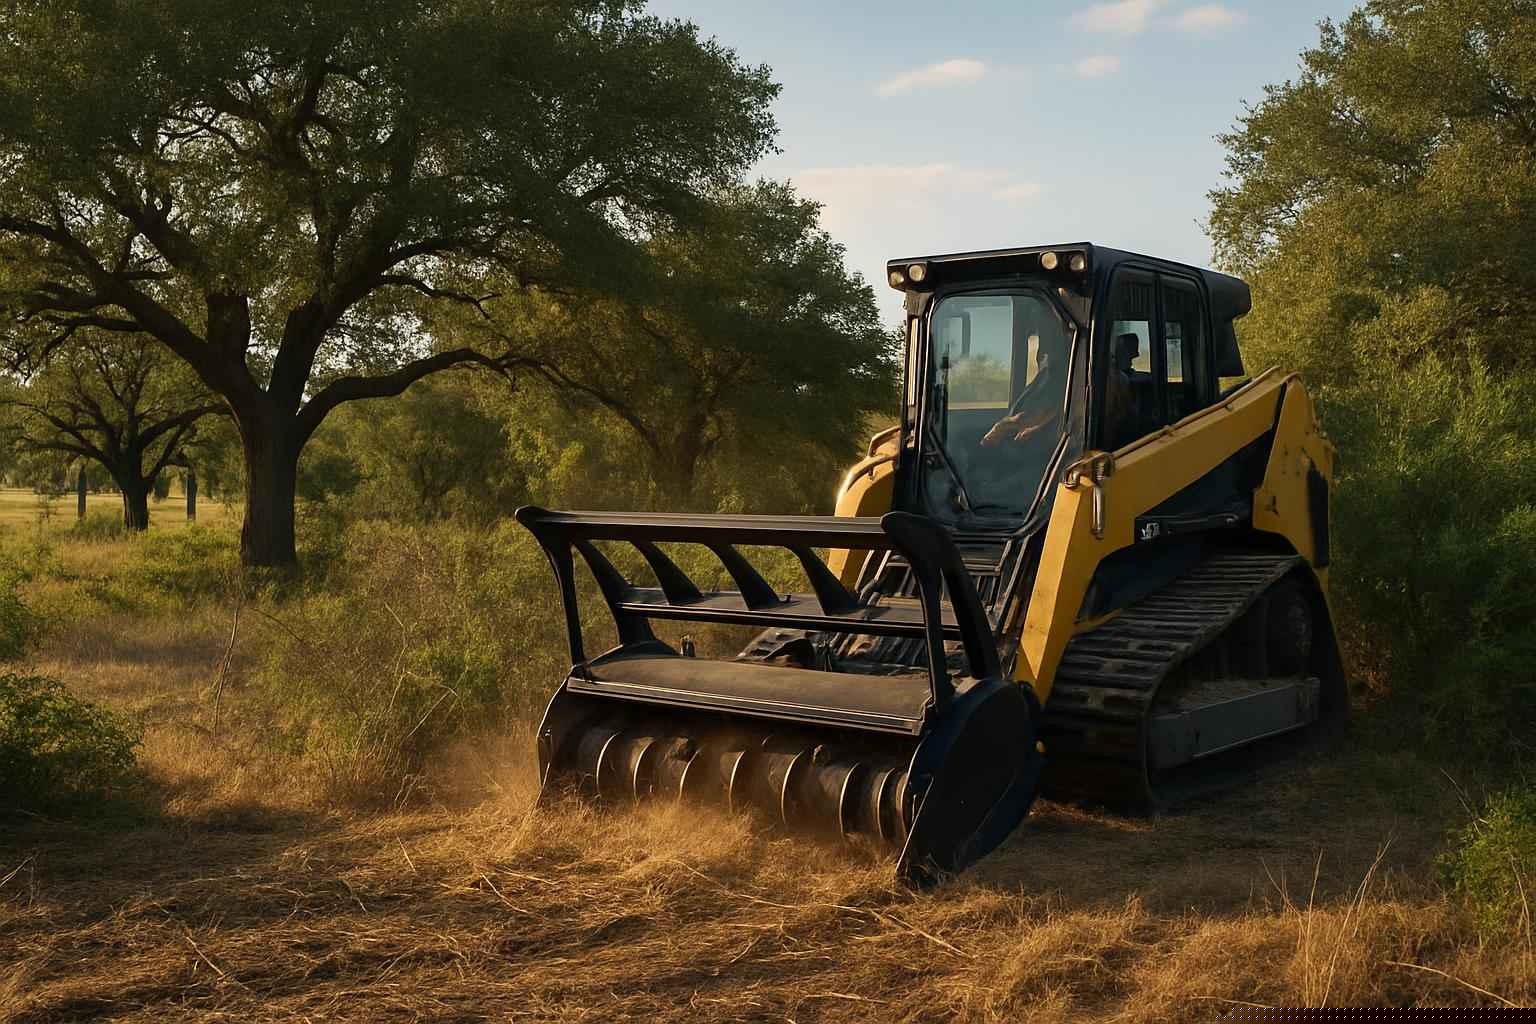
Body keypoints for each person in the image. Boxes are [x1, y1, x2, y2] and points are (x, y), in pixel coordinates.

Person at [980, 332, 1066, 448]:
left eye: (1046, 351)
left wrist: (1002, 427)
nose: (1041, 356)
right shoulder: (1045, 377)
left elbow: (1056, 407)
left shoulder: (1055, 376)